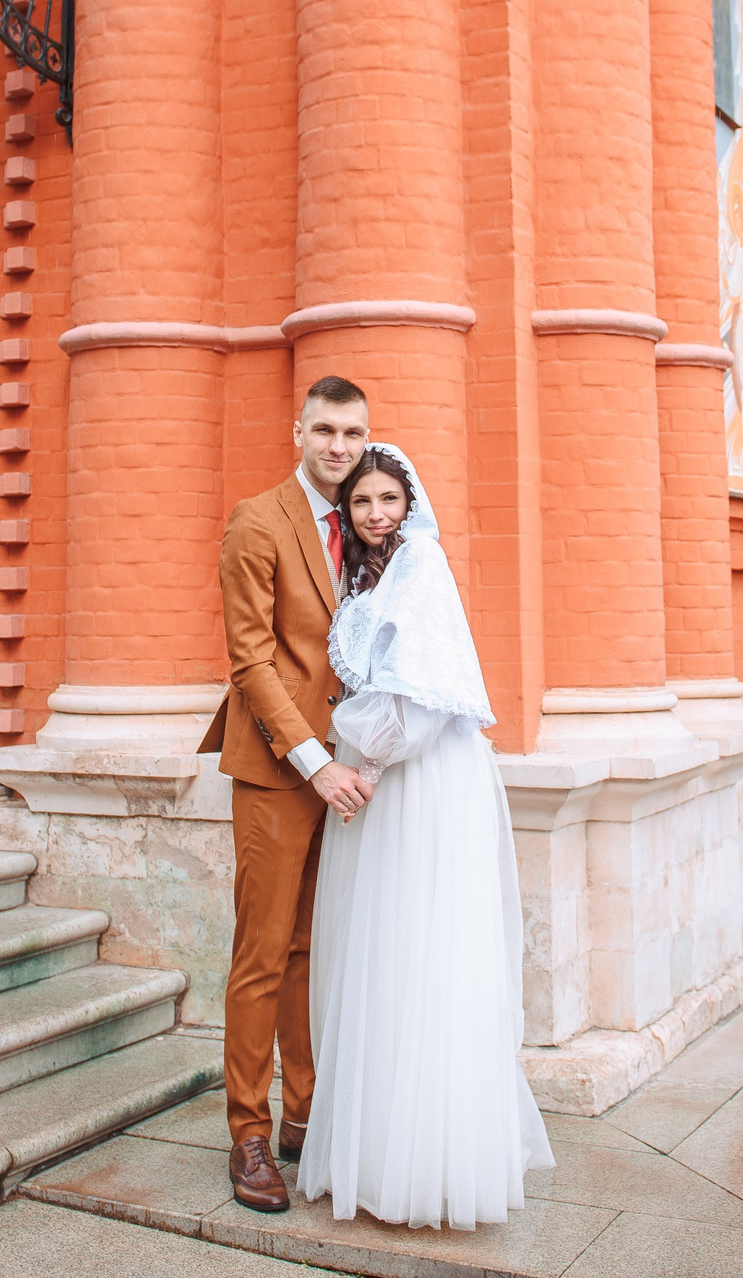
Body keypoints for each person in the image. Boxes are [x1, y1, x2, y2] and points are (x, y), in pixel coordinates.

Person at [299, 444, 554, 1229]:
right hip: (382, 776)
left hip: (417, 780)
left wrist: (355, 751)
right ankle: (381, 1152)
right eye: (363, 502)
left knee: (425, 952)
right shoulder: (370, 573)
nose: (377, 513)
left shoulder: (422, 567)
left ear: (409, 503)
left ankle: (433, 1160)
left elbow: (420, 702)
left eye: (388, 499)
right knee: (383, 957)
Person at [205, 375, 378, 1212]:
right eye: (325, 431)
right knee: (263, 952)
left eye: (352, 432)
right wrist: (316, 761)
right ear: (297, 432)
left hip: (347, 769)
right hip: (281, 769)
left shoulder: (370, 522)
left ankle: (304, 1117)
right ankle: (247, 1129)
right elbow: (251, 659)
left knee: (315, 950)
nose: (338, 447)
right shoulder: (258, 519)